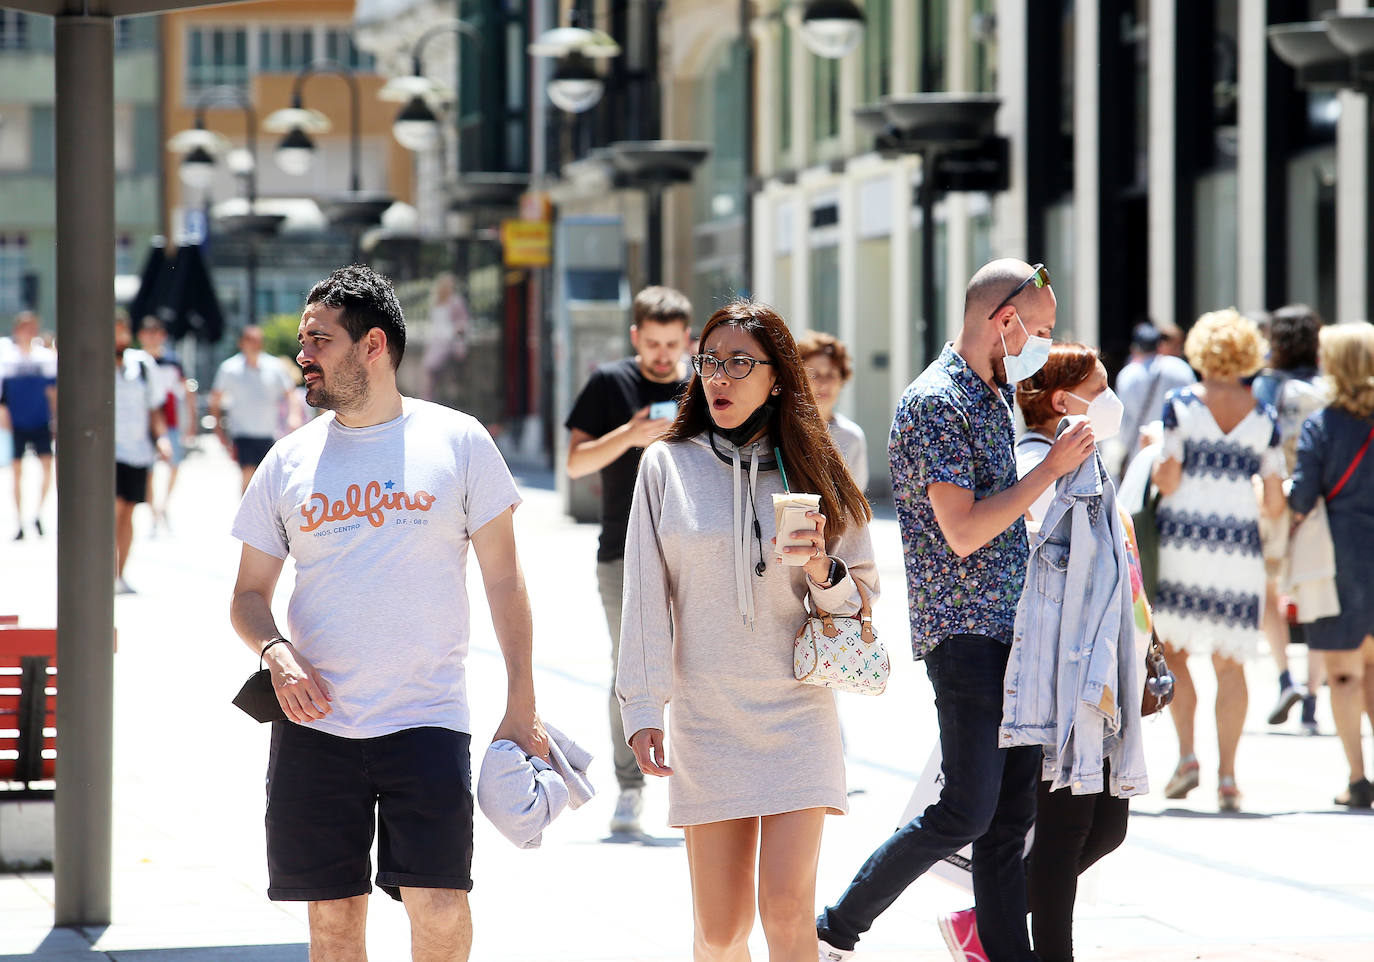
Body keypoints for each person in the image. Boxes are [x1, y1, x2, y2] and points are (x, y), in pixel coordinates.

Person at [228, 265, 548, 962]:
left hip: (426, 719)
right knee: (335, 925)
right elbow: (247, 595)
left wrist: (521, 700)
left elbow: (505, 579)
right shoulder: (287, 461)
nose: (302, 355)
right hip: (314, 725)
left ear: (373, 345)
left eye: (319, 340)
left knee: (439, 909)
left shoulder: (459, 442)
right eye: (303, 340)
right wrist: (276, 653)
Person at [815, 260, 1096, 962]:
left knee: (1010, 819)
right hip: (966, 632)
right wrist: (1049, 471)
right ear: (1004, 321)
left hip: (1015, 628)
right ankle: (838, 927)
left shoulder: (993, 396)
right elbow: (964, 529)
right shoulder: (936, 401)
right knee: (966, 809)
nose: (1042, 342)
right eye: (1040, 329)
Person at [617, 300, 878, 962]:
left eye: (740, 362)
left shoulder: (821, 465)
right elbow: (644, 598)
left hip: (798, 714)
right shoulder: (666, 466)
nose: (720, 377)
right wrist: (643, 707)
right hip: (707, 718)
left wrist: (825, 569)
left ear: (779, 377)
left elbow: (864, 601)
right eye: (710, 362)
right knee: (722, 930)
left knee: (788, 909)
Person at [1002, 343, 1149, 962]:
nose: (1112, 399)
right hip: (1063, 677)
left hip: (1104, 664)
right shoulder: (1034, 468)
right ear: (1064, 402)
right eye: (1101, 385)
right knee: (1066, 831)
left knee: (1106, 825)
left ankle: (992, 912)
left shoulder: (1086, 466)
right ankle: (1021, 936)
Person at [565, 285, 692, 835]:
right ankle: (631, 786)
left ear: (687, 340)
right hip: (621, 551)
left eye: (673, 343)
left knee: (697, 671)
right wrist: (631, 435)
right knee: (630, 669)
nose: (663, 355)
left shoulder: (703, 388)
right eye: (653, 343)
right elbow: (573, 464)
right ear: (636, 336)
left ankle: (693, 784)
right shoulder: (609, 383)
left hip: (691, 552)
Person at [1151, 309, 1286, 812]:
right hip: (1238, 549)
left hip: (1184, 543)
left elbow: (1167, 479)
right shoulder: (1264, 416)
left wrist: (1152, 450)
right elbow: (1274, 502)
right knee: (1232, 665)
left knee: (1178, 652)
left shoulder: (1181, 404)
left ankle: (1187, 757)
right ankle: (1228, 777)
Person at [1288, 321, 1374, 808]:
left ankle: (1358, 779)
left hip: (1338, 556)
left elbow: (1303, 496)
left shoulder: (1322, 424)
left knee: (1344, 674)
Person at [1251, 305, 1328, 733]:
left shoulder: (1267, 386)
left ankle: (1285, 676)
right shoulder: (1326, 386)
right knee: (1316, 597)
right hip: (1319, 504)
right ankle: (1313, 699)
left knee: (1266, 588)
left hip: (1273, 497)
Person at [114, 312, 171, 594]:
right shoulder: (94, 363)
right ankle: (104, 570)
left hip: (137, 450)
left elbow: (154, 409)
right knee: (112, 510)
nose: (119, 337)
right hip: (106, 452)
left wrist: (161, 439)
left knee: (128, 512)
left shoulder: (143, 365)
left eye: (123, 331)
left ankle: (119, 573)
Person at [211, 325, 295, 493]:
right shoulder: (229, 369)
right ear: (242, 342)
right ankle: (246, 516)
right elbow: (215, 400)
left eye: (258, 341)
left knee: (269, 480)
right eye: (251, 340)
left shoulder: (274, 366)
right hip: (242, 433)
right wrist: (218, 428)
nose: (255, 345)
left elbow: (290, 394)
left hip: (269, 433)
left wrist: (293, 416)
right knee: (248, 476)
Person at [1111, 322, 1196, 479]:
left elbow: (1122, 423)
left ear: (1135, 348)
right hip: (1175, 454)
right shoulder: (1181, 369)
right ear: (1159, 345)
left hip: (1138, 454)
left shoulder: (1128, 374)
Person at [0, 311, 56, 540]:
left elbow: (52, 392)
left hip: (40, 420)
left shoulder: (46, 357)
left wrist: (55, 419)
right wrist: (5, 422)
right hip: (17, 423)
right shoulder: (7, 357)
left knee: (47, 468)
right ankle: (20, 520)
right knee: (17, 472)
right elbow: (2, 398)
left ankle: (38, 514)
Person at [138, 316, 197, 533]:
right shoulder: (136, 361)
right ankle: (154, 512)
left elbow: (187, 392)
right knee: (149, 471)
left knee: (174, 465)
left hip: (169, 420)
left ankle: (162, 507)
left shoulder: (173, 361)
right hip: (144, 423)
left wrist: (191, 422)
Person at [795, 331, 868, 492]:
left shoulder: (852, 436)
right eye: (814, 374)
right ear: (799, 379)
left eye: (831, 375)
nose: (824, 383)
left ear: (842, 380)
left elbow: (856, 504)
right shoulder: (783, 430)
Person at [421, 272, 472, 403]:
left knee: (436, 370)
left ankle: (433, 398)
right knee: (430, 371)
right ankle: (429, 398)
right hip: (436, 339)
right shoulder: (435, 301)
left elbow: (463, 322)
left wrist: (454, 333)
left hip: (448, 341)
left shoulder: (455, 302)